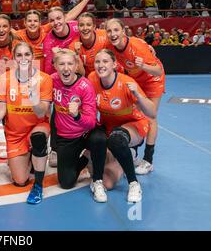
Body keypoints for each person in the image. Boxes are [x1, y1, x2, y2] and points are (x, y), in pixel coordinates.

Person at [0, 42, 52, 204]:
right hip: (15, 133)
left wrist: (33, 97)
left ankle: (38, 185)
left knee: (38, 138)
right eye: (19, 55)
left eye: (27, 54)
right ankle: (31, 155)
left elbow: (41, 112)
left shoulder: (44, 79)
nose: (24, 58)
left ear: (32, 56)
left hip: (38, 126)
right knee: (20, 181)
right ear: (14, 59)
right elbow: (1, 108)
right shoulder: (4, 79)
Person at [88, 49, 157, 203]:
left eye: (105, 61)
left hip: (134, 126)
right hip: (109, 128)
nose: (100, 65)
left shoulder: (126, 82)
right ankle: (127, 156)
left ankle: (134, 184)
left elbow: (151, 113)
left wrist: (138, 96)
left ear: (114, 64)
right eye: (97, 62)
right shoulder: (92, 79)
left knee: (116, 140)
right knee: (108, 183)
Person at [105, 18, 165, 175]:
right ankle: (133, 153)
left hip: (153, 79)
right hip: (136, 78)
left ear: (123, 31)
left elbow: (158, 71)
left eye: (116, 30)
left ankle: (148, 160)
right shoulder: (109, 45)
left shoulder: (136, 46)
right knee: (134, 114)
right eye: (109, 31)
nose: (112, 34)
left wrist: (143, 65)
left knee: (150, 116)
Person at [50, 49, 98, 191]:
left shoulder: (85, 86)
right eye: (61, 64)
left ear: (76, 66)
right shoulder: (52, 80)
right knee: (66, 183)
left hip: (85, 133)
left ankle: (91, 151)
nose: (66, 68)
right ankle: (85, 158)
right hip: (66, 137)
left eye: (70, 64)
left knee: (99, 139)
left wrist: (77, 115)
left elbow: (92, 122)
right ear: (56, 66)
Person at [68, 12, 110, 77]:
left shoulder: (105, 36)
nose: (85, 28)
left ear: (94, 27)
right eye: (81, 25)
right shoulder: (73, 46)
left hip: (107, 75)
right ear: (78, 27)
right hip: (88, 79)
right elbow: (81, 75)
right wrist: (76, 55)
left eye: (88, 25)